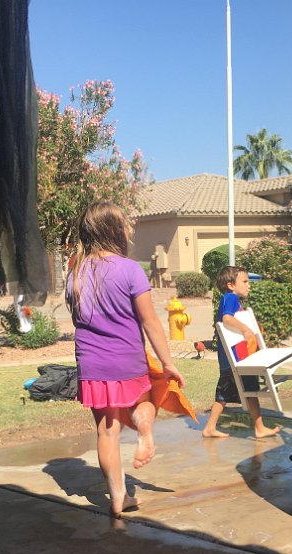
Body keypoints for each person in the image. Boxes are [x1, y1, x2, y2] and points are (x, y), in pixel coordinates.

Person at [66, 201, 185, 518]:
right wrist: (168, 362)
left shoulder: (75, 272)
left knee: (107, 431)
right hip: (127, 360)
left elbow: (77, 318)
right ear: (114, 230)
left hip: (91, 364)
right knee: (146, 401)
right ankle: (145, 432)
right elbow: (150, 322)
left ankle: (118, 498)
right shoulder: (130, 269)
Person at [202, 266, 282, 440]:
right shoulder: (230, 297)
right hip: (234, 360)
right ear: (231, 285)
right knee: (228, 394)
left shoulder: (230, 298)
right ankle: (210, 428)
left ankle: (258, 428)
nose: (248, 285)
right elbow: (227, 319)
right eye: (244, 281)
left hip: (237, 359)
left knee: (243, 391)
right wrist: (245, 329)